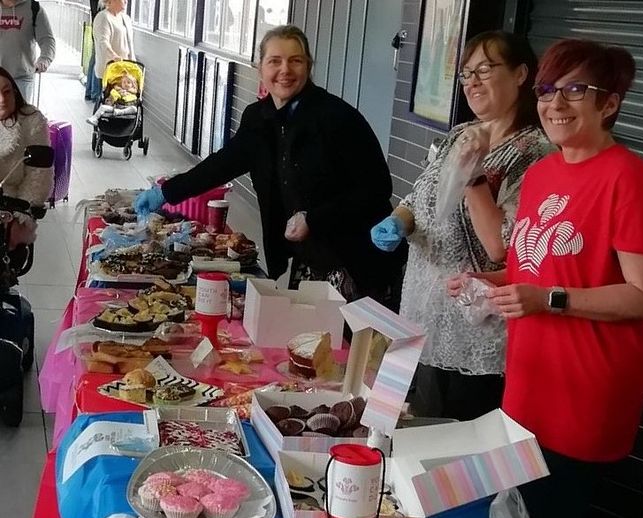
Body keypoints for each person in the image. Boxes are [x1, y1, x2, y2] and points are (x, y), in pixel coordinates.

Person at [447, 38, 643, 518]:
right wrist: (486, 281)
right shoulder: (546, 173)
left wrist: (547, 299)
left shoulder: (629, 179)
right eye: (549, 90)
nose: (555, 103)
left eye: (577, 90)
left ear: (609, 103)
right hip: (530, 379)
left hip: (584, 390)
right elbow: (535, 268)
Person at [135, 25, 403, 308]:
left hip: (358, 260)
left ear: (309, 66)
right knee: (306, 342)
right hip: (312, 260)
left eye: (295, 60)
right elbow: (220, 165)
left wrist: (313, 219)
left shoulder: (337, 118)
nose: (285, 70)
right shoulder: (259, 118)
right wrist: (166, 192)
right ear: (259, 67)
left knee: (349, 350)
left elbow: (377, 188)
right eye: (275, 61)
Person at [370, 31, 550, 421]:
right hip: (418, 311)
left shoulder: (534, 151)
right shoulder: (460, 134)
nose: (472, 82)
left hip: (472, 329)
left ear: (521, 74)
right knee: (399, 426)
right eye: (466, 74)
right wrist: (397, 221)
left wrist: (473, 175)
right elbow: (419, 197)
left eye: (484, 69)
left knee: (450, 447)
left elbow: (503, 246)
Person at [0, 67, 52, 248]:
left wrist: (21, 215)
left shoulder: (31, 121)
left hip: (11, 207)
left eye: (6, 92)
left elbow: (39, 176)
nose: (2, 99)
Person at [0, 0, 55, 103]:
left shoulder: (33, 8)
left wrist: (44, 59)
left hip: (21, 79)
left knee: (21, 117)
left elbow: (47, 40)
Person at [92, 0, 134, 84]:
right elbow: (103, 42)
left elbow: (130, 43)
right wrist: (114, 56)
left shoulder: (126, 18)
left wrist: (132, 61)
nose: (126, 1)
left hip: (124, 68)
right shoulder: (103, 17)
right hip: (109, 69)